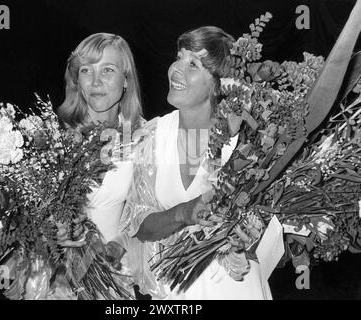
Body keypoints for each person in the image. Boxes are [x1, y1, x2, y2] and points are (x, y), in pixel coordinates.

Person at [119, 26, 274, 299]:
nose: (176, 68)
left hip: (236, 288)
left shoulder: (252, 140)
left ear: (219, 84)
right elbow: (139, 226)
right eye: (178, 57)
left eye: (193, 64)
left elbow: (272, 221)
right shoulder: (154, 136)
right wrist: (184, 212)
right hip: (176, 292)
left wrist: (247, 234)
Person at [57, 32, 143, 244]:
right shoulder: (54, 136)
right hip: (54, 270)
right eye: (86, 70)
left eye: (108, 70)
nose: (95, 82)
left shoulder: (144, 136)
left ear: (126, 80)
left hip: (116, 265)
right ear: (77, 80)